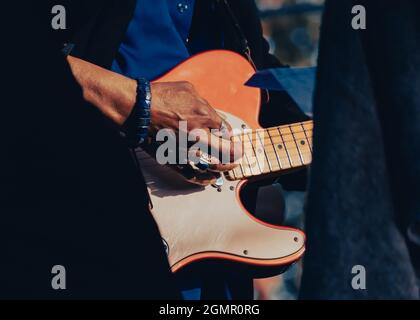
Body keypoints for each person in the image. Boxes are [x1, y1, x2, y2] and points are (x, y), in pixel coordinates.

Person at [56, 0, 309, 299]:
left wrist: (341, 138)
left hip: (212, 271)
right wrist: (140, 107)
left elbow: (256, 81)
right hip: (84, 230)